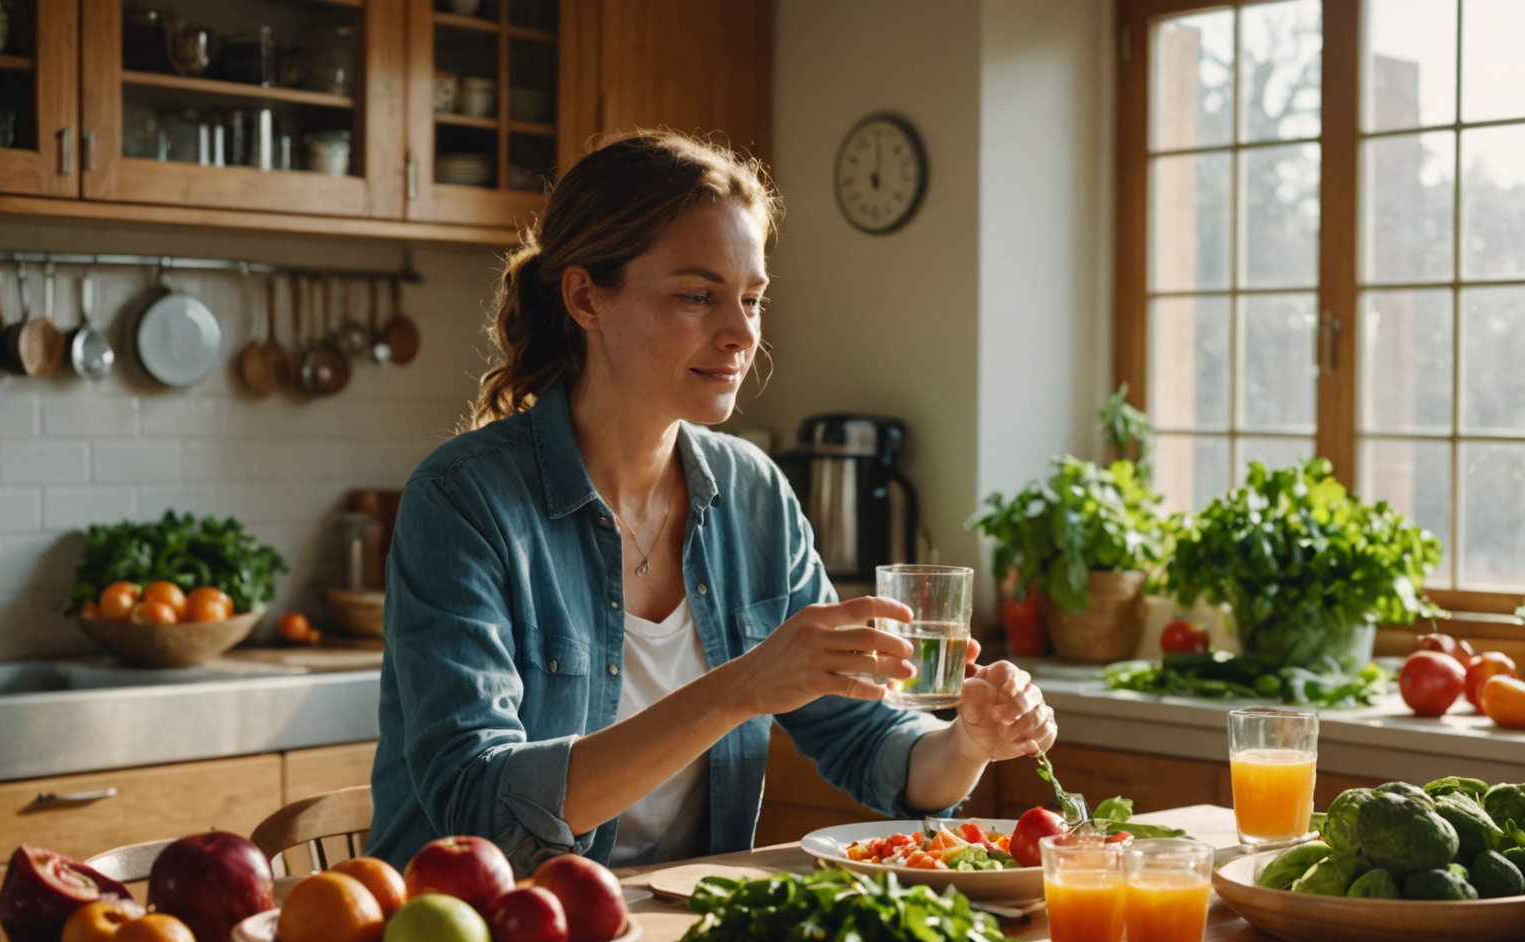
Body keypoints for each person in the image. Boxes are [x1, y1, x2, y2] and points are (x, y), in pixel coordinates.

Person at [366, 131, 1056, 873]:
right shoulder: (464, 500)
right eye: (697, 296)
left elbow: (867, 745)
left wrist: (968, 744)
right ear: (584, 296)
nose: (741, 334)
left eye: (751, 299)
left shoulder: (753, 494)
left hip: (675, 940)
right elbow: (480, 809)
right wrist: (739, 689)